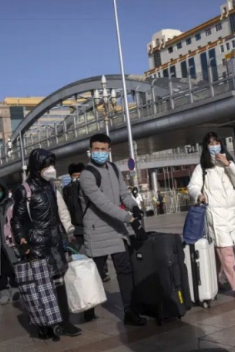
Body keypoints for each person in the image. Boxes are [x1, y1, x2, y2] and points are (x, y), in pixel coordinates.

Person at [11, 149, 82, 340]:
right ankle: (44, 325)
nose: (50, 169)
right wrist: (23, 242)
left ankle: (64, 322)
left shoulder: (51, 186)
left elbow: (58, 213)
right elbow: (16, 220)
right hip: (36, 245)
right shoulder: (24, 190)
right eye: (46, 165)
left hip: (55, 242)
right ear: (37, 167)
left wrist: (66, 235)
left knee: (59, 284)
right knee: (40, 286)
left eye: (52, 165)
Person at [79, 133, 147, 326]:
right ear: (90, 150)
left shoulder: (114, 168)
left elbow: (123, 193)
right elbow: (103, 204)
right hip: (97, 230)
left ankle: (130, 312)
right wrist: (129, 218)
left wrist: (134, 206)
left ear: (109, 150)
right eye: (96, 149)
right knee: (96, 273)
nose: (99, 152)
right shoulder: (87, 175)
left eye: (103, 149)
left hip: (116, 230)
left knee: (125, 269)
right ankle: (87, 307)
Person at [188, 132, 235, 299]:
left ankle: (213, 280)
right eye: (210, 142)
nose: (214, 145)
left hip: (231, 212)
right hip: (215, 213)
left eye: (216, 141)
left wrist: (228, 164)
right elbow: (193, 186)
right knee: (226, 250)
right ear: (205, 146)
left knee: (218, 251)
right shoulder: (203, 168)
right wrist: (198, 195)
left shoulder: (226, 164)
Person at [63, 163, 86, 251]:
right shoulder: (66, 189)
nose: (77, 178)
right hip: (75, 228)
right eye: (74, 176)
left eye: (79, 175)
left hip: (89, 226)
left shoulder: (87, 186)